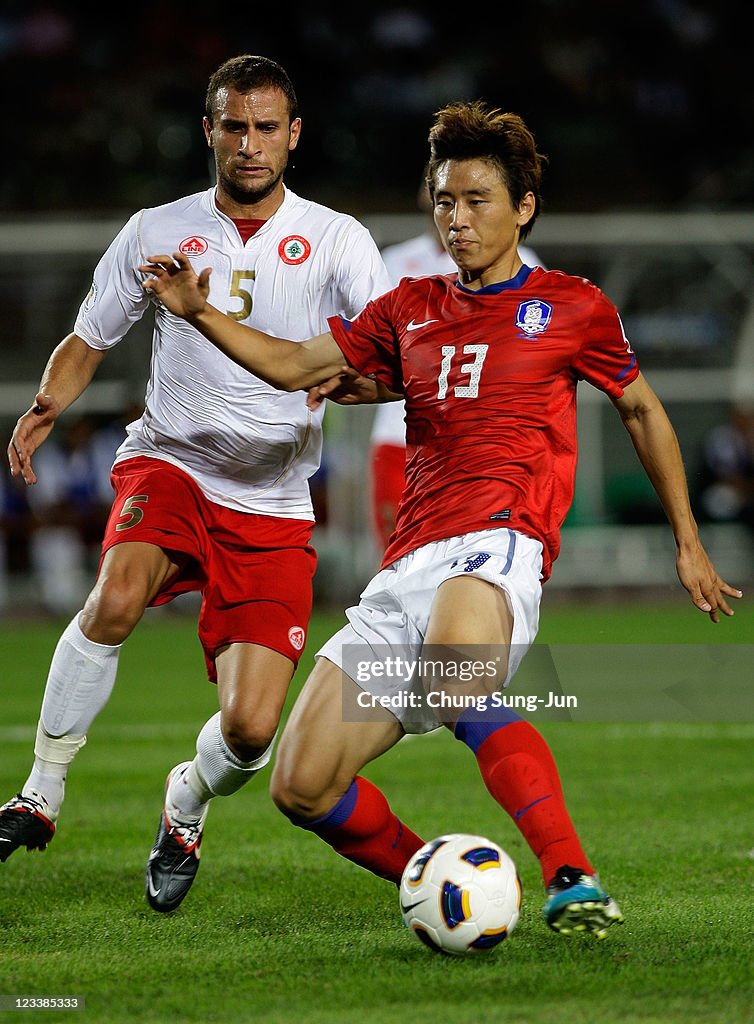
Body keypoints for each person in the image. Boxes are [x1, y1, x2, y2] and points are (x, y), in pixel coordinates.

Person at [136, 99, 742, 938]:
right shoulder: (408, 306)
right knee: (300, 784)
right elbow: (292, 365)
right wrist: (198, 310)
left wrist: (688, 543)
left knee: (461, 676)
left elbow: (640, 409)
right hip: (405, 565)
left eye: (477, 201)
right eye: (445, 201)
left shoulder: (573, 306)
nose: (457, 219)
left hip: (496, 544)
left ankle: (571, 874)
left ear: (524, 207)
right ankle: (442, 881)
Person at [1, 54, 390, 915]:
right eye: (233, 126)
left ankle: (186, 804)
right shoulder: (155, 228)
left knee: (251, 733)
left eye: (265, 128)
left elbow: (390, 351)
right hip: (172, 461)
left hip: (276, 497)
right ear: (208, 129)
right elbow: (88, 337)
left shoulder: (339, 240)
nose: (248, 145)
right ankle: (40, 792)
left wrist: (357, 380)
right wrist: (44, 405)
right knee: (115, 594)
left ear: (293, 136)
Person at [369, 173, 544, 552]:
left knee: (478, 573)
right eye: (442, 193)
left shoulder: (524, 265)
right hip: (400, 438)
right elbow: (367, 347)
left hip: (483, 445)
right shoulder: (395, 262)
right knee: (400, 569)